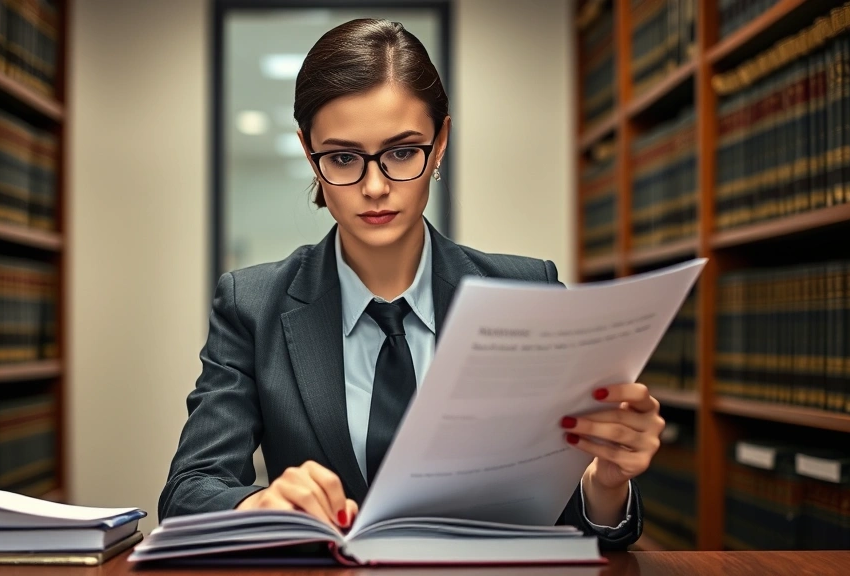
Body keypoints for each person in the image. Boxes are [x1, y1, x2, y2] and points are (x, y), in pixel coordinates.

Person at [159, 18, 661, 551]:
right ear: (311, 154)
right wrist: (256, 505)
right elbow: (188, 492)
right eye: (344, 158)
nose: (374, 187)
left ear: (440, 143)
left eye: (401, 152)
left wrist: (606, 483)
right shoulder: (252, 304)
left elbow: (570, 520)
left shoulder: (527, 293)